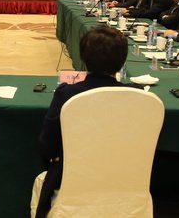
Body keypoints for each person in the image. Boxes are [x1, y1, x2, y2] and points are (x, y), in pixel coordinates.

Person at [36, 25, 133, 218]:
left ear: (83, 58)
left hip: (72, 183)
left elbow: (47, 147)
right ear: (123, 61)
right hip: (126, 183)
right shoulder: (136, 94)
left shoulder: (67, 94)